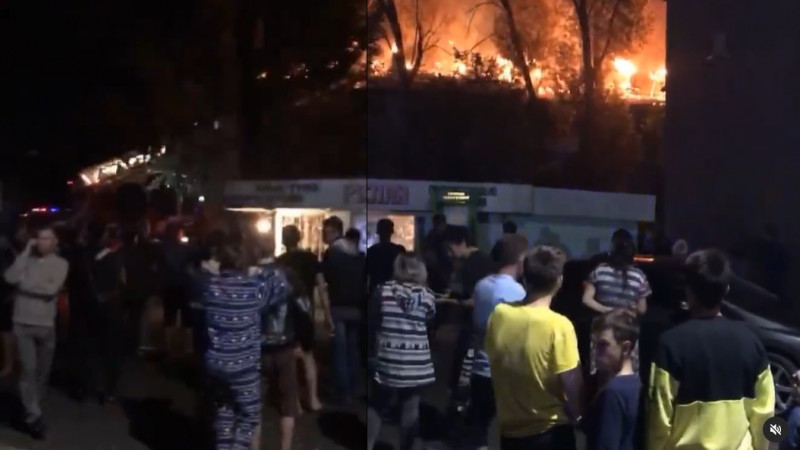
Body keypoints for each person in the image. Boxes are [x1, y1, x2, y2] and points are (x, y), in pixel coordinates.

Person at [647, 249, 774, 450]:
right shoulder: (751, 341)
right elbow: (765, 411)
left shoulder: (670, 344)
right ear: (726, 290)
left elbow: (659, 419)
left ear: (688, 290)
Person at [484, 246, 581, 450]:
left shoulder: (499, 314)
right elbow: (571, 383)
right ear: (559, 281)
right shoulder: (559, 326)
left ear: (524, 278)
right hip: (550, 432)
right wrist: (578, 415)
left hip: (510, 432)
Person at [203, 239, 290, 450]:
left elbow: (198, 274)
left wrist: (212, 269)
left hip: (216, 363)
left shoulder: (210, 287)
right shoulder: (253, 289)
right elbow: (282, 285)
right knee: (249, 416)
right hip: (243, 365)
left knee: (224, 410)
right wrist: (259, 271)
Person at [464, 234, 528, 449]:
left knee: (479, 429)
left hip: (481, 365)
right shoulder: (517, 292)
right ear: (520, 259)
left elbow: (476, 323)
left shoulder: (482, 285)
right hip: (505, 372)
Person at [4, 227, 69, 439]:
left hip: (45, 326)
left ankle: (33, 407)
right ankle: (33, 415)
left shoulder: (61, 263)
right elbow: (10, 277)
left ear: (55, 242)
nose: (42, 242)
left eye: (47, 238)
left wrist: (25, 286)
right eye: (39, 238)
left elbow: (51, 290)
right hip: (22, 323)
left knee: (43, 372)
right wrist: (25, 253)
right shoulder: (26, 261)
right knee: (28, 369)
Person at [367, 252, 436, 450]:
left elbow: (374, 318)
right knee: (410, 407)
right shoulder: (428, 296)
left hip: (387, 356)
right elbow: (429, 320)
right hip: (416, 361)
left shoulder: (382, 291)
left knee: (377, 403)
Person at [259, 261, 313, 450]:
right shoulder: (290, 281)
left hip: (260, 349)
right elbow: (304, 314)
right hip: (285, 347)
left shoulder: (255, 280)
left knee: (254, 406)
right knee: (288, 404)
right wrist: (303, 343)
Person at [582, 236, 650, 373]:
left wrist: (607, 310)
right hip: (627, 327)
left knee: (600, 368)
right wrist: (628, 310)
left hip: (602, 326)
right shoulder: (639, 276)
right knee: (627, 368)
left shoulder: (600, 271)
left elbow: (587, 300)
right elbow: (642, 309)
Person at [276, 225, 323, 412]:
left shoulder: (280, 261)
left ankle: (295, 402)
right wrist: (326, 312)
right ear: (299, 238)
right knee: (308, 356)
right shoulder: (310, 258)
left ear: (283, 240)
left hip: (286, 314)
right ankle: (313, 399)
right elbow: (321, 285)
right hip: (305, 310)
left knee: (290, 359)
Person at [320, 216, 366, 405]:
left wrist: (326, 311)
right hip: (356, 307)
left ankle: (343, 392)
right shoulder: (357, 253)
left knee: (339, 351)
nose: (323, 236)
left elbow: (324, 284)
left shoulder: (332, 253)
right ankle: (356, 387)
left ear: (333, 232)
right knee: (353, 349)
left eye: (325, 232)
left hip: (338, 306)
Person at [443, 225, 495, 391]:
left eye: (450, 247)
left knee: (465, 362)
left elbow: (475, 299)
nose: (449, 253)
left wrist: (454, 302)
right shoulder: (480, 260)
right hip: (477, 322)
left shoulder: (474, 264)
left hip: (475, 323)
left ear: (463, 243)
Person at [581, 310, 641, 450]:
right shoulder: (638, 385)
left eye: (603, 345)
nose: (596, 351)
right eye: (594, 344)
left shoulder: (613, 393)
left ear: (625, 347)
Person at [162, 223, 193, 357]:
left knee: (169, 318)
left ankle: (169, 348)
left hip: (169, 286)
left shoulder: (163, 248)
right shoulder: (185, 249)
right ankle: (186, 349)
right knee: (186, 319)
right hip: (182, 286)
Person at [366, 218, 405, 296]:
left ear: (378, 232)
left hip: (376, 290)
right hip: (395, 291)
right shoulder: (399, 250)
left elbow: (368, 274)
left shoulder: (371, 251)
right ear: (391, 232)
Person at [422, 214, 451, 295]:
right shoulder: (431, 237)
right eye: (438, 225)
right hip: (436, 271)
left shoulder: (431, 237)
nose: (439, 227)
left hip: (442, 271)